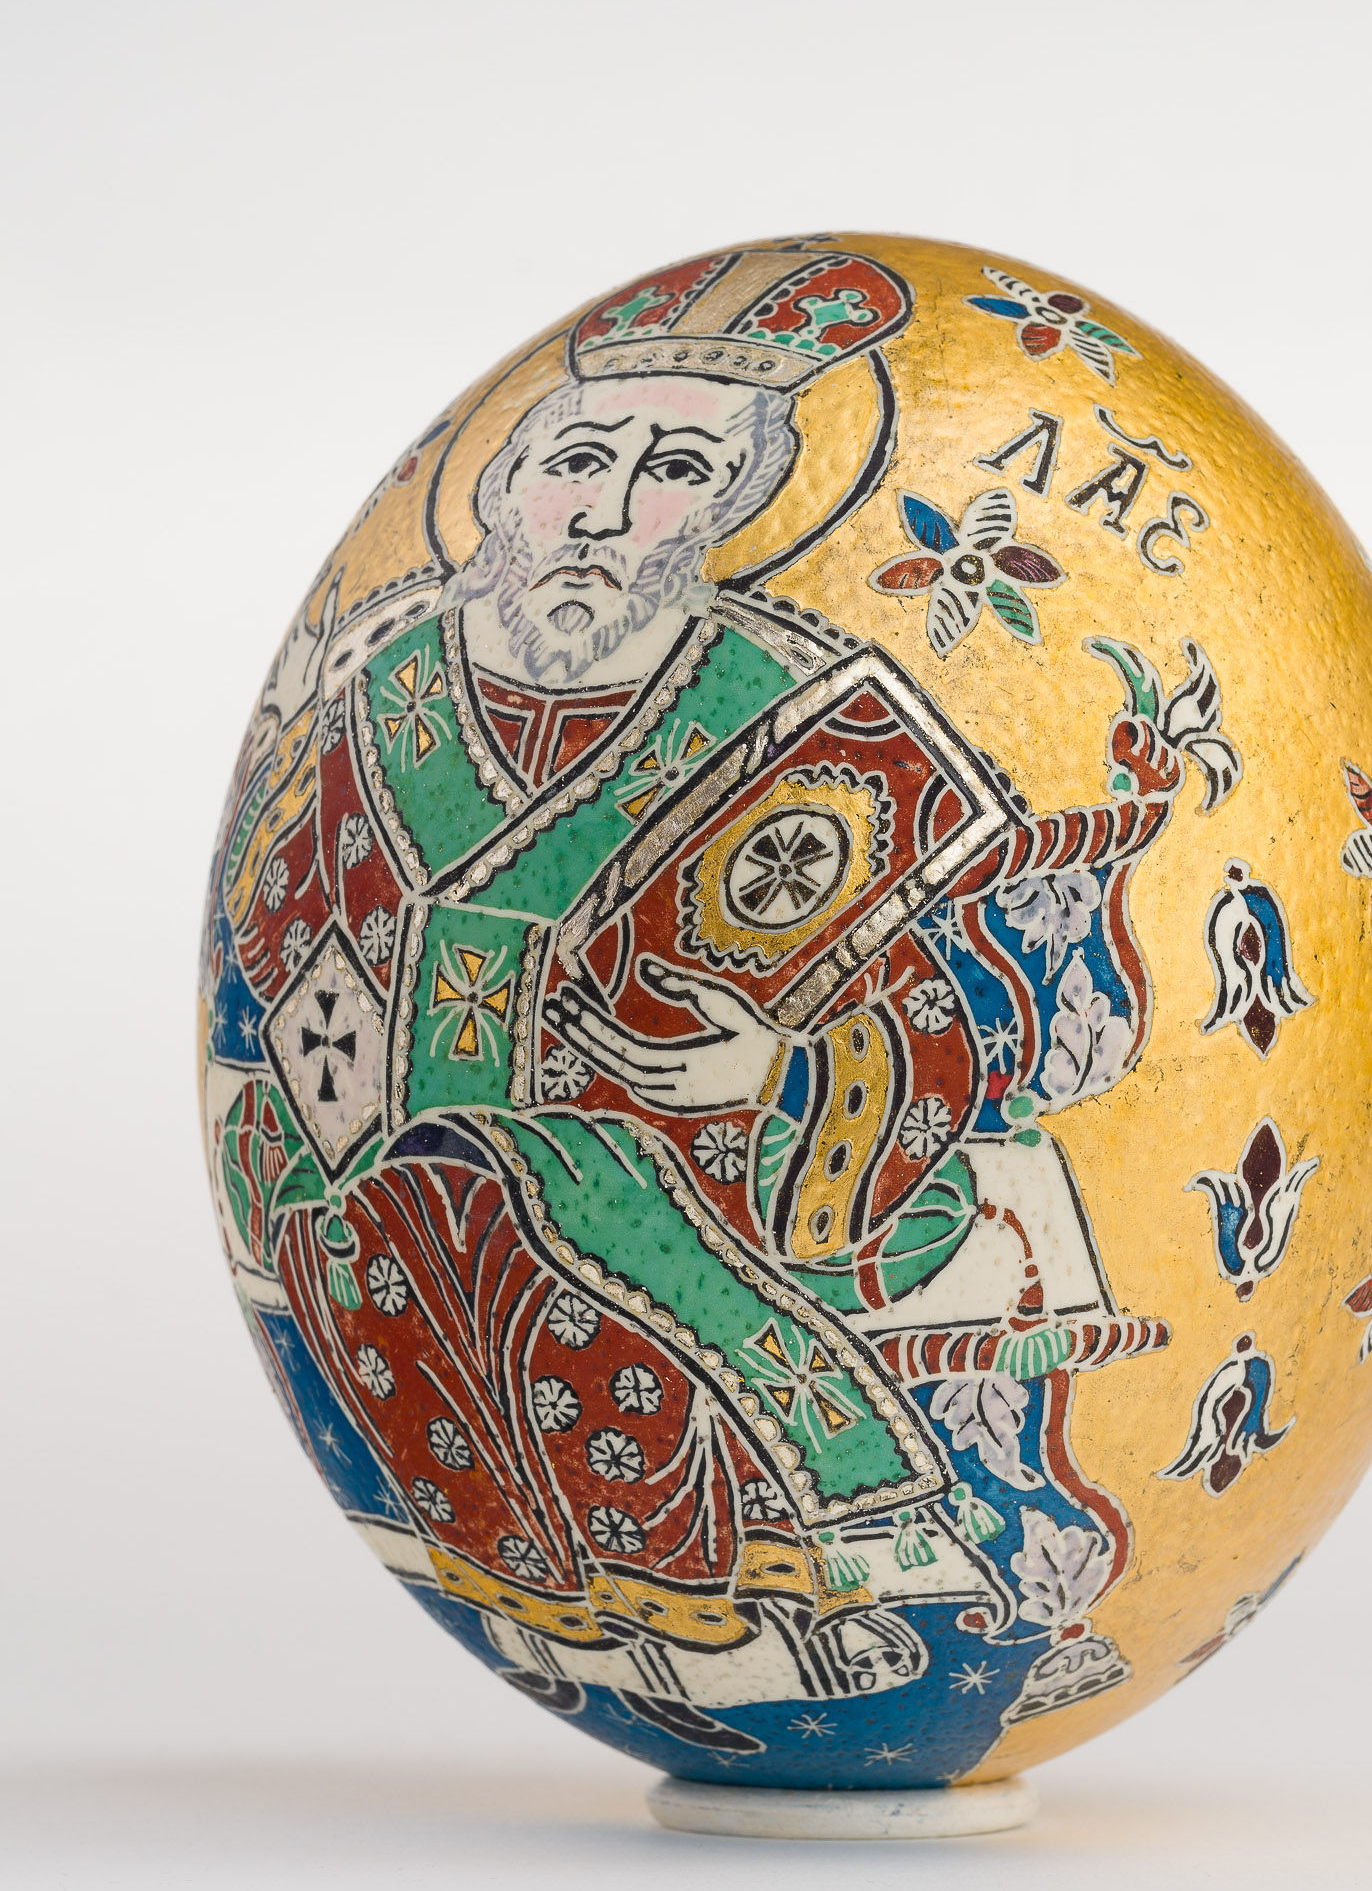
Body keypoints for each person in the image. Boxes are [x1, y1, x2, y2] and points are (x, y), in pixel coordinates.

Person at [202, 245, 1229, 1758]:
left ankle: (718, 1606)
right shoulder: (381, 688)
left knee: (510, 1188)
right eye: (577, 462)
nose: (605, 509)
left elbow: (970, 992)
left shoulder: (788, 699)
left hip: (724, 1170)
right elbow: (268, 952)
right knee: (437, 1188)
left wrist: (783, 1072)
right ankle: (617, 1606)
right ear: (505, 488)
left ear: (733, 510)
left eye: (673, 471)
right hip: (376, 1169)